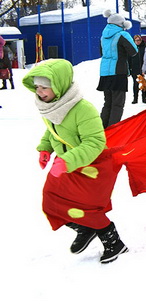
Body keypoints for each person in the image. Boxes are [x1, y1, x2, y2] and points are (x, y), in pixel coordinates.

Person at [23, 58, 128, 263]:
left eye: (45, 87)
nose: (40, 92)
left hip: (92, 166)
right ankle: (85, 228)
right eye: (37, 87)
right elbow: (53, 129)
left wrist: (68, 161)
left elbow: (95, 143)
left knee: (88, 207)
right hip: (67, 164)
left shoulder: (83, 109)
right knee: (52, 200)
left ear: (59, 84)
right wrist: (45, 148)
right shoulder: (51, 106)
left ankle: (114, 243)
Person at [97, 9, 138, 128]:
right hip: (118, 72)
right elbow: (133, 51)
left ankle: (102, 128)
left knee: (108, 103)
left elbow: (102, 52)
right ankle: (113, 130)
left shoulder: (103, 36)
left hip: (105, 73)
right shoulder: (122, 34)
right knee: (118, 104)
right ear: (122, 24)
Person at [128, 34, 146, 104]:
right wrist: (129, 68)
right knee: (135, 84)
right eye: (136, 40)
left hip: (142, 68)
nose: (138, 42)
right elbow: (129, 59)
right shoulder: (132, 48)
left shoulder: (144, 47)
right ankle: (135, 98)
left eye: (139, 40)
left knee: (143, 83)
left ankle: (144, 98)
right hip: (134, 68)